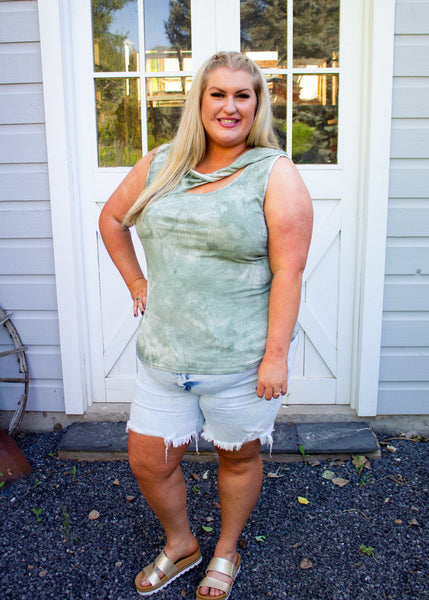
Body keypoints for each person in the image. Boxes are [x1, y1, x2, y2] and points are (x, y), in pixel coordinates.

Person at [99, 50, 313, 599]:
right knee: (148, 460)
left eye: (244, 95)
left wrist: (276, 355)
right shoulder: (160, 164)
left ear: (258, 104)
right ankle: (181, 544)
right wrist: (137, 283)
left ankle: (225, 550)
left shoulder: (274, 173)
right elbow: (112, 219)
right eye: (218, 93)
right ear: (199, 100)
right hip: (165, 357)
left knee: (237, 458)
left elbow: (288, 274)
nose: (230, 106)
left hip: (241, 361)